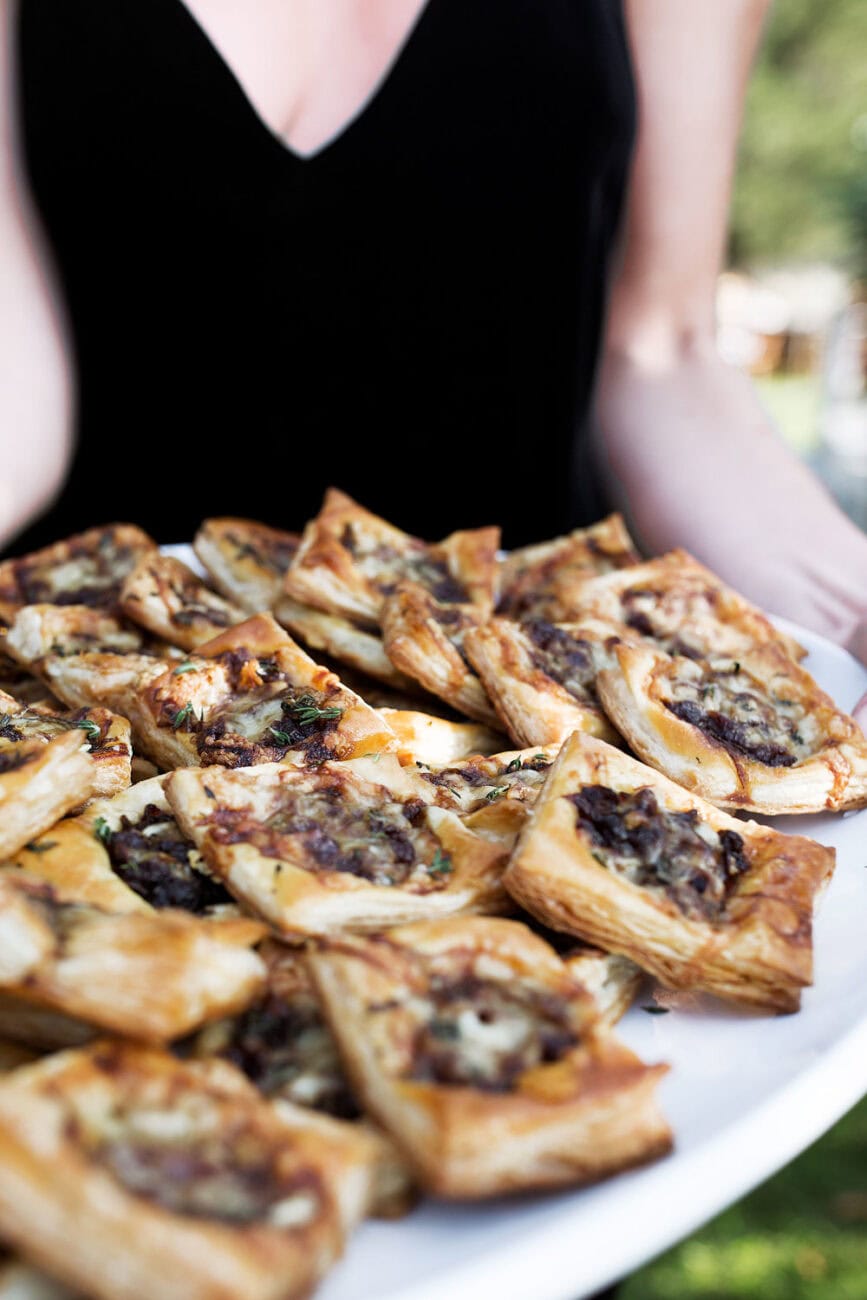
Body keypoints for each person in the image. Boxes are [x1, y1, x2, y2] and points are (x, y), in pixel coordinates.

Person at [3, 0, 867, 689]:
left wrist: (844, 613)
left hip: (533, 707)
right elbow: (17, 388)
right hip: (85, 682)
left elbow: (660, 351)